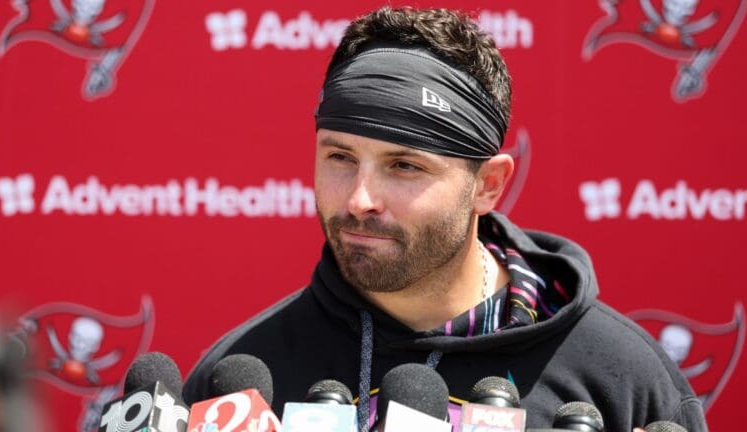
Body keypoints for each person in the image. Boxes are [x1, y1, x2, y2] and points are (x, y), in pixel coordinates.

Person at [183, 7, 707, 431]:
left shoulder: (623, 380)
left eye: (405, 165)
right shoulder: (239, 381)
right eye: (339, 157)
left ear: (488, 186)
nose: (360, 198)